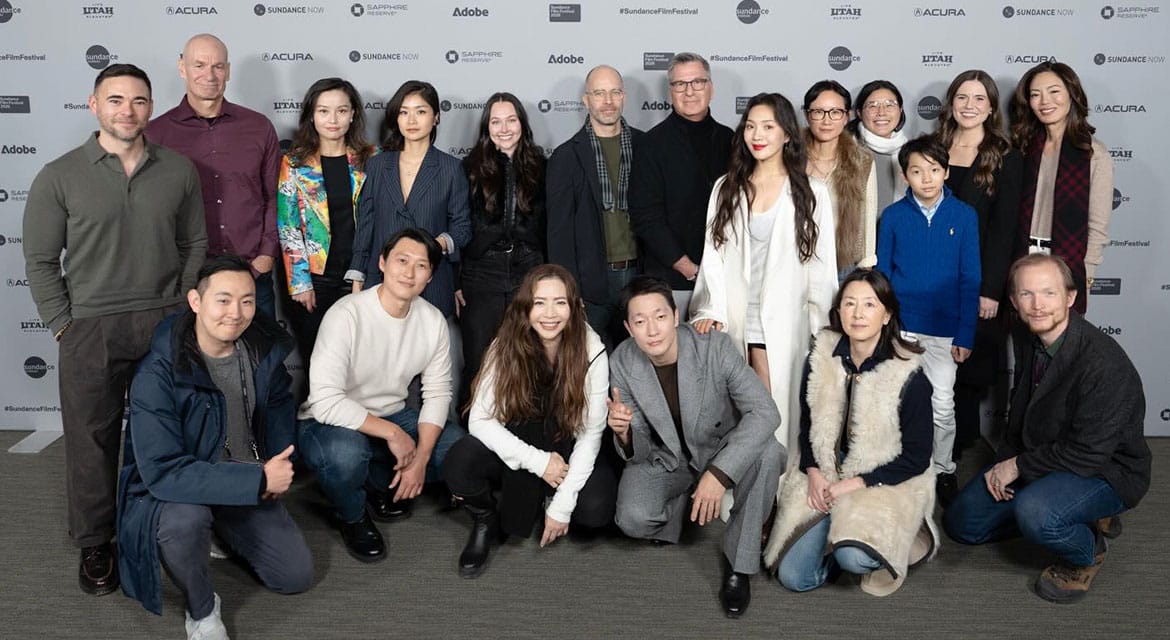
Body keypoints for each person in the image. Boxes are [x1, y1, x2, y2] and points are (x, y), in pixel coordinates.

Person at [22, 63, 207, 596]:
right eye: (116, 100)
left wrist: (182, 305)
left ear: (151, 107)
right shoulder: (58, 176)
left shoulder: (178, 170)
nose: (128, 110)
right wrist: (63, 324)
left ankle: (155, 525)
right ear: (94, 105)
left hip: (164, 321)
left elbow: (194, 243)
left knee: (164, 433)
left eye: (139, 100)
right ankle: (95, 541)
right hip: (90, 326)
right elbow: (40, 260)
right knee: (91, 439)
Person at [117, 255, 312, 638]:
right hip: (178, 489)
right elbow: (163, 471)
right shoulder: (158, 371)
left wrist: (277, 459)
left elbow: (277, 404)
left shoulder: (260, 348)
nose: (235, 313)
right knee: (184, 524)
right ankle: (202, 610)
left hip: (241, 475)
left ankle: (220, 529)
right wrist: (258, 481)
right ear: (196, 301)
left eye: (246, 301)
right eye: (223, 300)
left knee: (294, 575)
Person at [944, 254, 1149, 604]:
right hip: (1044, 454)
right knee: (963, 524)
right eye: (1027, 294)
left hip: (1104, 470)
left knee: (1036, 513)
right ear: (1014, 301)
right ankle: (1066, 511)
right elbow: (1021, 411)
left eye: (1049, 293)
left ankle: (1088, 550)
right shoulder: (1028, 336)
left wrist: (1017, 467)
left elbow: (1088, 454)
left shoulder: (1103, 364)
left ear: (1070, 297)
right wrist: (1004, 463)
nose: (1037, 305)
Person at [609, 276, 784, 618]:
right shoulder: (622, 362)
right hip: (669, 457)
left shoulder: (713, 347)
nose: (652, 330)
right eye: (640, 322)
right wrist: (624, 433)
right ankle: (686, 507)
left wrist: (718, 474)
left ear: (676, 316)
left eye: (660, 316)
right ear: (629, 328)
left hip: (720, 448)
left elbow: (766, 412)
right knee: (632, 519)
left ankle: (738, 564)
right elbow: (640, 451)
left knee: (768, 453)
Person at [764, 268, 937, 596]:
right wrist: (813, 470)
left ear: (887, 315)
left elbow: (917, 458)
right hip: (827, 468)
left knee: (854, 558)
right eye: (849, 303)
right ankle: (834, 542)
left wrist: (854, 484)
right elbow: (808, 426)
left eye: (869, 305)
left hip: (883, 476)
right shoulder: (820, 357)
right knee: (794, 576)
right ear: (839, 310)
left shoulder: (908, 374)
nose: (858, 314)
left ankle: (892, 540)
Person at [297, 228, 467, 562]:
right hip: (328, 421)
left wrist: (420, 458)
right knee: (345, 455)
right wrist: (393, 434)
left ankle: (376, 482)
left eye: (421, 266)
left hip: (392, 414)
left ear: (430, 277)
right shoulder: (347, 314)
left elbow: (437, 394)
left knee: (456, 449)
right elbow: (326, 401)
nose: (409, 272)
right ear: (382, 263)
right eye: (402, 260)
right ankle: (352, 514)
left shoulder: (432, 321)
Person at [444, 265, 615, 578]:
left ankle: (547, 495)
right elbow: (479, 420)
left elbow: (591, 435)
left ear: (575, 307)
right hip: (523, 438)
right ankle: (485, 519)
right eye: (539, 302)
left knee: (594, 510)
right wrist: (539, 463)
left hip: (567, 441)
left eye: (560, 302)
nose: (550, 313)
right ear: (526, 307)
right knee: (459, 460)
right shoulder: (506, 343)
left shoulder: (592, 349)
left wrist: (563, 505)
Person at [690, 92, 838, 452]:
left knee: (780, 413)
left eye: (768, 127)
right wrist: (712, 310)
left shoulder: (812, 193)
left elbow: (822, 270)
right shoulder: (726, 188)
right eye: (751, 126)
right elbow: (713, 256)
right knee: (741, 414)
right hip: (736, 318)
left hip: (788, 322)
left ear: (787, 134)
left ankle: (779, 482)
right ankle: (743, 481)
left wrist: (822, 330)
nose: (757, 135)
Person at [347, 80, 471, 422]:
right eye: (404, 112)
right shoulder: (378, 165)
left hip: (431, 284)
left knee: (426, 379)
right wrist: (358, 276)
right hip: (380, 282)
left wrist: (433, 246)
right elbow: (366, 224)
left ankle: (427, 443)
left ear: (436, 117)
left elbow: (462, 228)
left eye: (420, 111)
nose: (411, 120)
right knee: (376, 371)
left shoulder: (450, 168)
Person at [876, 134, 980, 505]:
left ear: (946, 172)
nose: (926, 178)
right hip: (903, 328)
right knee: (897, 402)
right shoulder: (893, 217)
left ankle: (943, 469)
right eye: (917, 171)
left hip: (945, 331)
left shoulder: (964, 216)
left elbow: (970, 278)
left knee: (942, 405)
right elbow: (883, 276)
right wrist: (885, 328)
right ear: (905, 175)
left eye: (934, 170)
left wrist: (965, 334)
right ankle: (903, 468)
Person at [146, 33, 281, 319]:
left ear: (228, 71)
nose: (209, 75)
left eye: (218, 66)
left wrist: (266, 256)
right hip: (187, 280)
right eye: (199, 65)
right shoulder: (155, 134)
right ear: (182, 68)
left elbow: (274, 196)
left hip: (252, 275)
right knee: (185, 348)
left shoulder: (259, 127)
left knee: (263, 348)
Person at [935, 69, 1024, 459]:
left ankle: (954, 457)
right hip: (933, 279)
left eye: (979, 99)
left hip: (976, 281)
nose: (969, 106)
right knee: (930, 366)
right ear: (951, 104)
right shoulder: (934, 148)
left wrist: (990, 289)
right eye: (962, 97)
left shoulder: (1005, 157)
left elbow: (1005, 229)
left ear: (991, 108)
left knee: (966, 370)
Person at [277, 77, 376, 386]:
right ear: (311, 115)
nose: (333, 119)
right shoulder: (294, 163)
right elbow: (288, 225)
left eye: (341, 111)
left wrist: (369, 274)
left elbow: (379, 220)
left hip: (360, 278)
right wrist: (300, 282)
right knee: (319, 364)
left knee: (361, 365)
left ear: (353, 115)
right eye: (324, 111)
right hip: (314, 281)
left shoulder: (370, 160)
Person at [628, 52, 733, 317]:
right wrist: (688, 268)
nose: (689, 91)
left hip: (726, 277)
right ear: (670, 92)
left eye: (697, 82)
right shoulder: (651, 145)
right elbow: (646, 217)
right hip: (672, 281)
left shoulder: (730, 140)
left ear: (711, 88)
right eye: (680, 84)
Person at [547, 65, 644, 349]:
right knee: (589, 361)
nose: (608, 101)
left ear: (624, 96)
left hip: (638, 276)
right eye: (599, 93)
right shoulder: (565, 157)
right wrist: (568, 288)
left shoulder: (646, 146)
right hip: (590, 283)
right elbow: (559, 233)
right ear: (586, 100)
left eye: (614, 92)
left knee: (639, 361)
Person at [458, 93, 546, 393]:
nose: (504, 129)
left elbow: (552, 226)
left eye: (511, 120)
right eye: (496, 122)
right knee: (479, 362)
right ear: (487, 127)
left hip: (529, 270)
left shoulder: (542, 167)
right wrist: (456, 280)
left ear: (522, 123)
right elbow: (457, 225)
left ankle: (526, 420)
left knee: (530, 359)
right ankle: (474, 420)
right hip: (481, 273)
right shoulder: (469, 168)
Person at [1009, 61, 1113, 314]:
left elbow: (1098, 224)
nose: (1045, 101)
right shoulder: (1023, 148)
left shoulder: (1093, 153)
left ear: (1072, 95)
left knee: (1062, 336)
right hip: (1021, 258)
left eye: (1054, 91)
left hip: (1066, 264)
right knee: (1019, 334)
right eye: (1035, 94)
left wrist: (1086, 273)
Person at [802, 80, 878, 278]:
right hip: (794, 262)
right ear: (807, 115)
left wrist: (866, 265)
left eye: (835, 112)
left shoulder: (862, 160)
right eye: (818, 112)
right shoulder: (789, 158)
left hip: (842, 266)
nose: (826, 120)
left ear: (846, 116)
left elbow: (868, 215)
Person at [849, 80, 909, 209]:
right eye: (872, 106)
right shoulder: (846, 150)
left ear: (900, 110)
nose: (881, 112)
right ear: (859, 112)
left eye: (889, 105)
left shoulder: (911, 152)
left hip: (899, 221)